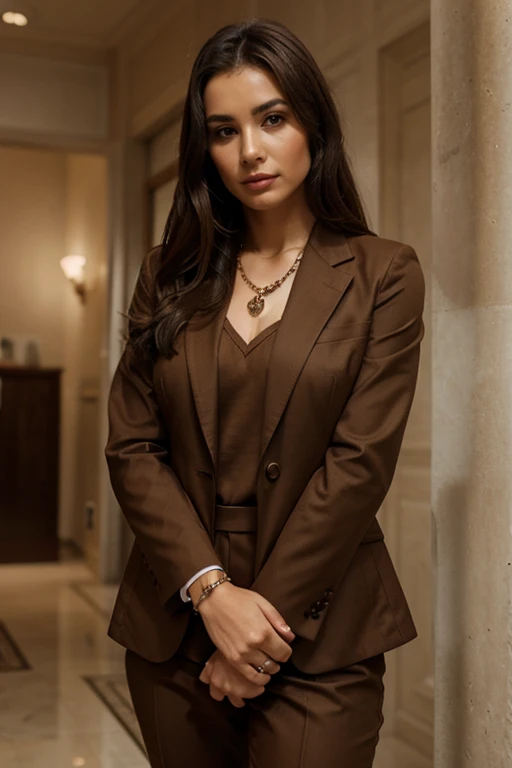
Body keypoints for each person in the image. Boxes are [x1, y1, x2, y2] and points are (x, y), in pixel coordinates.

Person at [104, 17, 425, 768]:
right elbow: (132, 447)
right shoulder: (169, 273)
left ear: (311, 120)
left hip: (323, 630)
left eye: (272, 118)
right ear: (204, 149)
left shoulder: (384, 273)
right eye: (224, 130)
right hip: (175, 622)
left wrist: (253, 639)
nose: (250, 150)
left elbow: (358, 466)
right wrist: (211, 595)